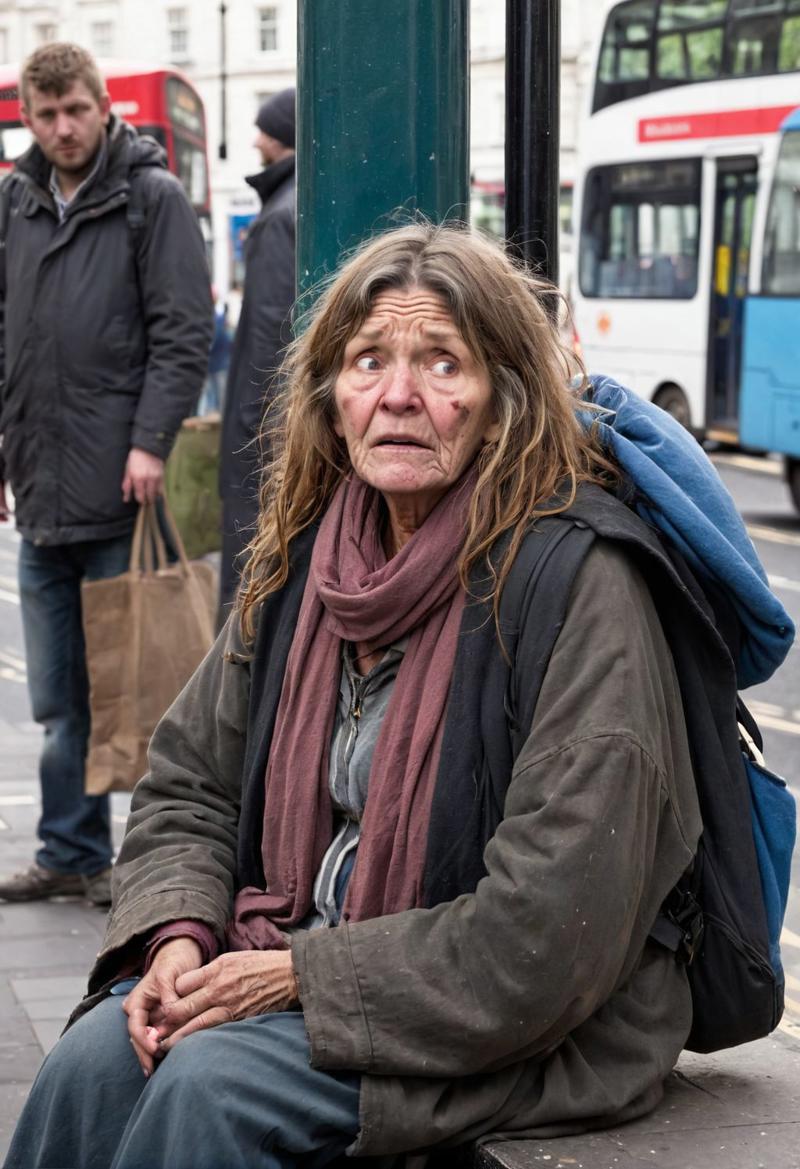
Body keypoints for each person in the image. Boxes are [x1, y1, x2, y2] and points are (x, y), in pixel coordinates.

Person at [4, 223, 704, 1169]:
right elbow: (188, 786)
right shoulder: (307, 564)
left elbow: (547, 932)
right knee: (92, 1062)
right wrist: (176, 933)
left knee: (211, 1093)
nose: (400, 396)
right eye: (369, 360)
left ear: (500, 401)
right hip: (302, 959)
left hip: (525, 1020)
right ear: (334, 401)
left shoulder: (577, 584)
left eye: (443, 363)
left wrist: (299, 976)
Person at [0, 44, 213, 908]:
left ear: (101, 106)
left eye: (75, 111)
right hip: (41, 489)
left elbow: (183, 330)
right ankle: (70, 850)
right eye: (45, 116)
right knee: (57, 699)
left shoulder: (149, 199)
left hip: (121, 489)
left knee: (136, 688)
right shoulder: (13, 202)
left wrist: (150, 441)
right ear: (28, 116)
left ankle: (152, 859)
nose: (62, 129)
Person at [218, 87, 296, 614]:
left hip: (263, 451)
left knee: (249, 604)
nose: (254, 141)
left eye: (263, 131)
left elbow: (267, 349)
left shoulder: (277, 218)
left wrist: (254, 455)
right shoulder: (299, 204)